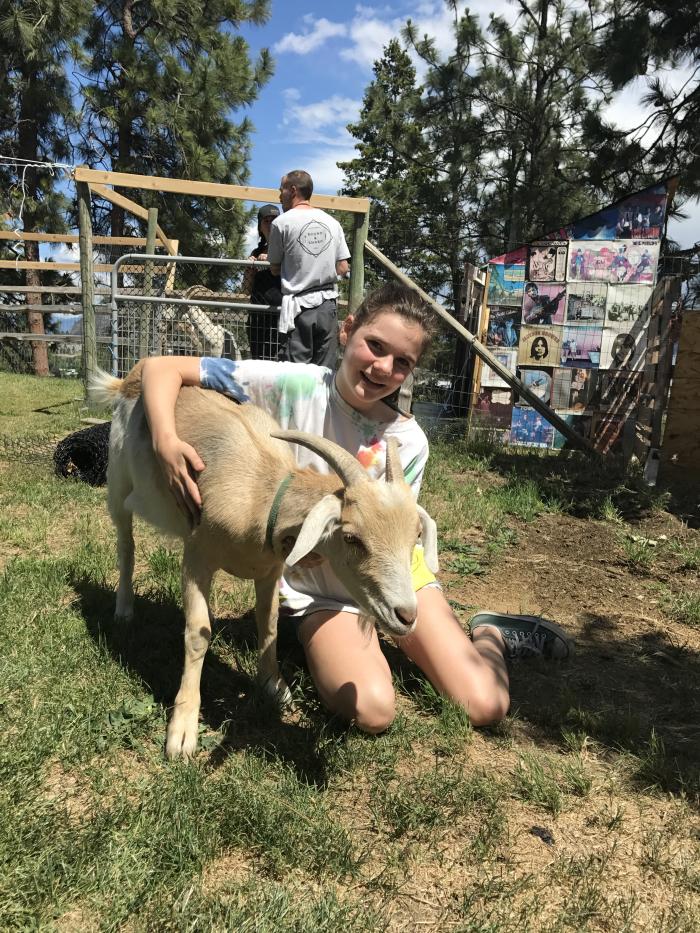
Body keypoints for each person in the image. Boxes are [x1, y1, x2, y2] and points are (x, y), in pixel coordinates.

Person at [139, 282, 570, 734]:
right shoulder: (293, 386)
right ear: (347, 331)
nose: (383, 367)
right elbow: (160, 369)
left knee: (487, 704)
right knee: (374, 710)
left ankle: (490, 634)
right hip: (315, 589)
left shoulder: (408, 443)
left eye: (402, 362)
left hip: (389, 576)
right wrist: (165, 440)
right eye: (375, 346)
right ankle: (324, 639)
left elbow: (393, 546)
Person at [267, 169, 351, 367]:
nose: (280, 196)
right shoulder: (332, 222)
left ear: (293, 190)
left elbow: (275, 268)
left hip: (299, 310)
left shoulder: (281, 223)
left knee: (295, 373)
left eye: (282, 190)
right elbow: (343, 267)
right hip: (328, 307)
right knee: (324, 372)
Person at [244, 204, 283, 360]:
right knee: (258, 360)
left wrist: (272, 260)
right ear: (260, 227)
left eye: (274, 220)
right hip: (258, 318)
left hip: (280, 316)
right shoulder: (256, 252)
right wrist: (248, 271)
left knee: (278, 361)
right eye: (266, 221)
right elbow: (246, 290)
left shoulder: (288, 249)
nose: (271, 224)